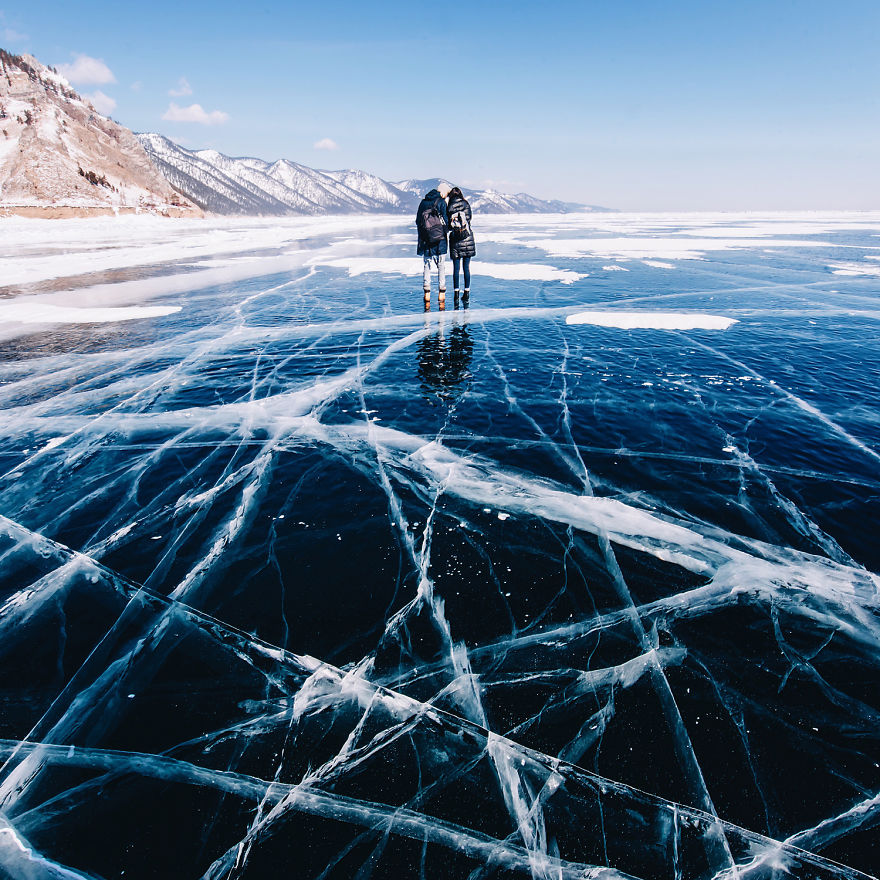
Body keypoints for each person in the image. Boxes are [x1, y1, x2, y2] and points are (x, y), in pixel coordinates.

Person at [416, 183, 451, 310]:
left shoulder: (423, 202)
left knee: (427, 265)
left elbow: (417, 221)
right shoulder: (441, 202)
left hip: (426, 241)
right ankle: (441, 295)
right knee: (441, 266)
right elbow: (446, 222)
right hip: (439, 240)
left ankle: (427, 294)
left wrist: (426, 234)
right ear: (443, 193)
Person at [446, 186, 475, 308]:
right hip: (467, 238)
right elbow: (469, 219)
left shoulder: (449, 206)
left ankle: (456, 293)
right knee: (466, 268)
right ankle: (466, 292)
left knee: (456, 269)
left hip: (456, 241)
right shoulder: (466, 204)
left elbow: (448, 224)